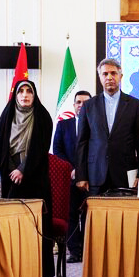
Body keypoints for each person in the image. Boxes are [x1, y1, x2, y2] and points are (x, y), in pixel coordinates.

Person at [0, 80, 54, 277]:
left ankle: (37, 269)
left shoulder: (43, 117)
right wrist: (12, 170)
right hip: (10, 178)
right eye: (21, 91)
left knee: (35, 225)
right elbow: (1, 148)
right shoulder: (6, 116)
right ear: (16, 95)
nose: (25, 95)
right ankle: (12, 270)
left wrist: (23, 170)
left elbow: (41, 149)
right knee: (12, 225)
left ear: (34, 95)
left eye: (29, 91)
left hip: (35, 179)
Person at [76, 59, 139, 196]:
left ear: (121, 76)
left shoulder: (136, 105)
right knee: (96, 210)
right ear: (100, 77)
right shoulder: (88, 106)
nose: (109, 77)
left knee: (124, 211)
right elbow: (82, 143)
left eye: (113, 73)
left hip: (126, 175)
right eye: (105, 74)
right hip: (95, 174)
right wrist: (81, 175)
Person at [52, 90, 91, 264]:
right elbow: (57, 149)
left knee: (89, 215)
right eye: (79, 102)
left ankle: (87, 249)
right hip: (69, 177)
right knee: (72, 214)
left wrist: (84, 171)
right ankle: (74, 251)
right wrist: (72, 169)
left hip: (91, 178)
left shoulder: (97, 124)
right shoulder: (63, 125)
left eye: (86, 102)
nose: (82, 105)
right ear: (74, 105)